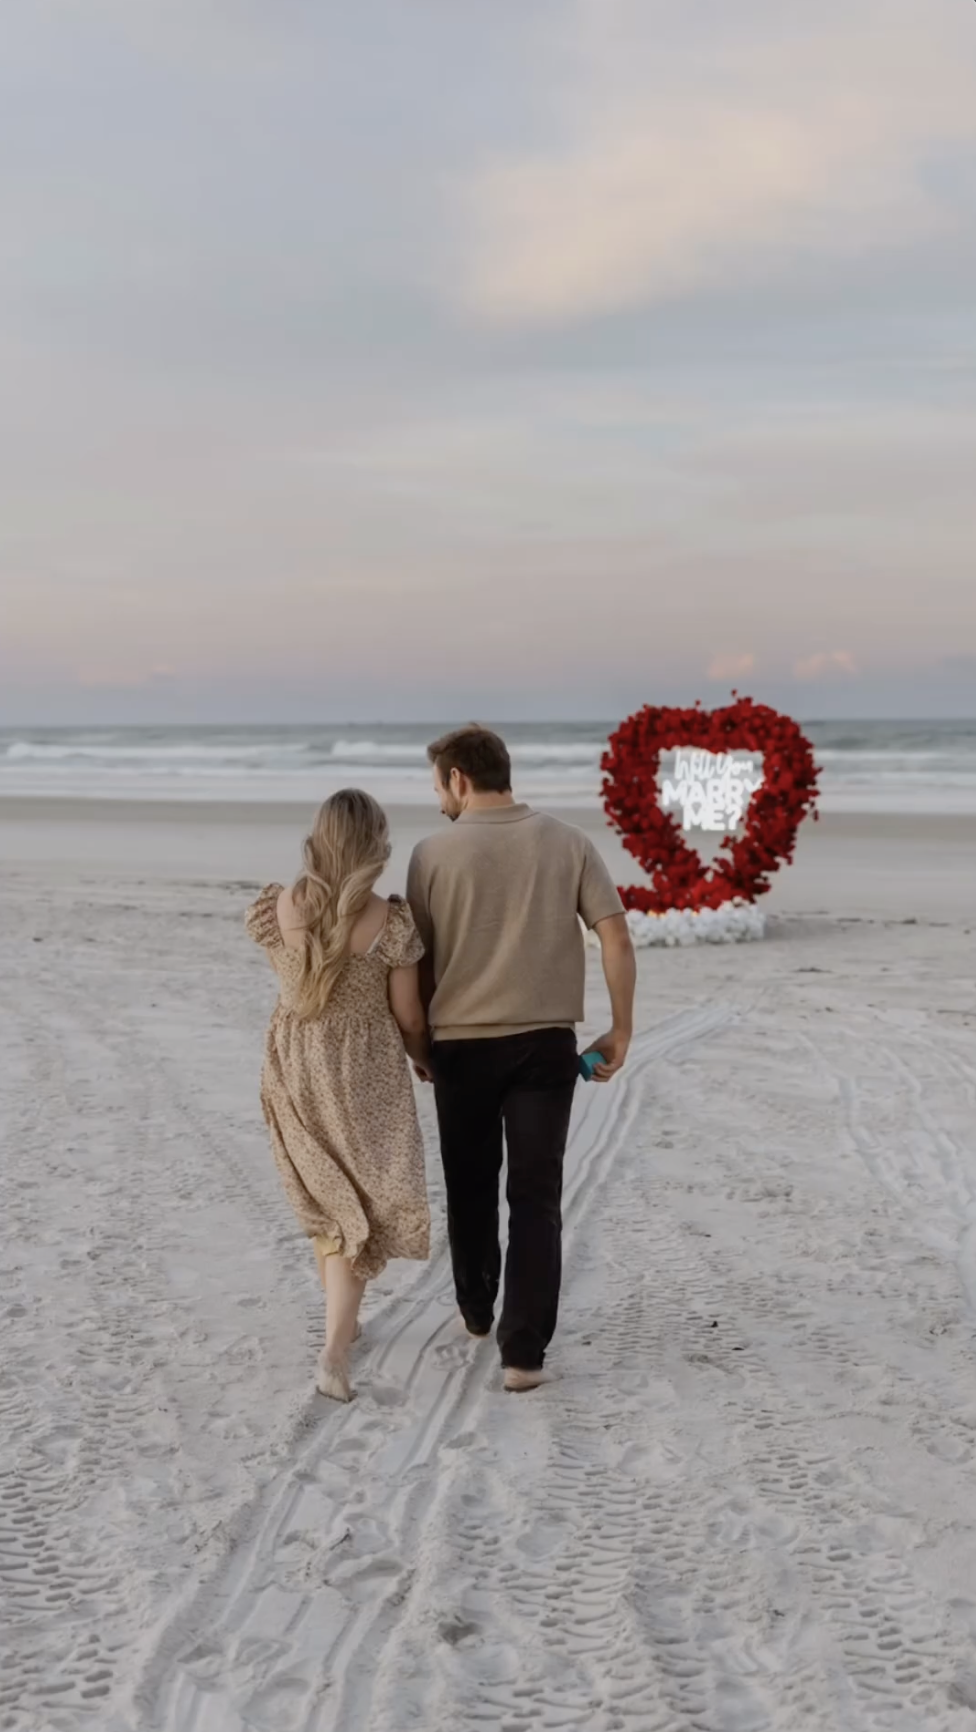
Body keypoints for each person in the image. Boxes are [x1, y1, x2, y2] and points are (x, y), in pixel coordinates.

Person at [406, 725, 636, 1393]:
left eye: (438, 785)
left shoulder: (431, 854)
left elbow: (417, 966)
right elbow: (615, 937)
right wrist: (620, 1030)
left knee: (471, 1185)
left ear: (457, 779)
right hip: (544, 1045)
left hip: (461, 1045)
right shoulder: (568, 841)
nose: (440, 799)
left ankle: (478, 1309)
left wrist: (420, 1048)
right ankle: (523, 1354)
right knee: (536, 1197)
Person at [245, 789, 431, 1403]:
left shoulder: (283, 906)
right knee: (359, 1204)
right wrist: (425, 1057)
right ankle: (332, 1352)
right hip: (364, 1072)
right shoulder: (388, 920)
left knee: (331, 1198)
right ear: (374, 844)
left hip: (295, 1061)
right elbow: (407, 1016)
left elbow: (294, 986)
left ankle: (341, 1331)